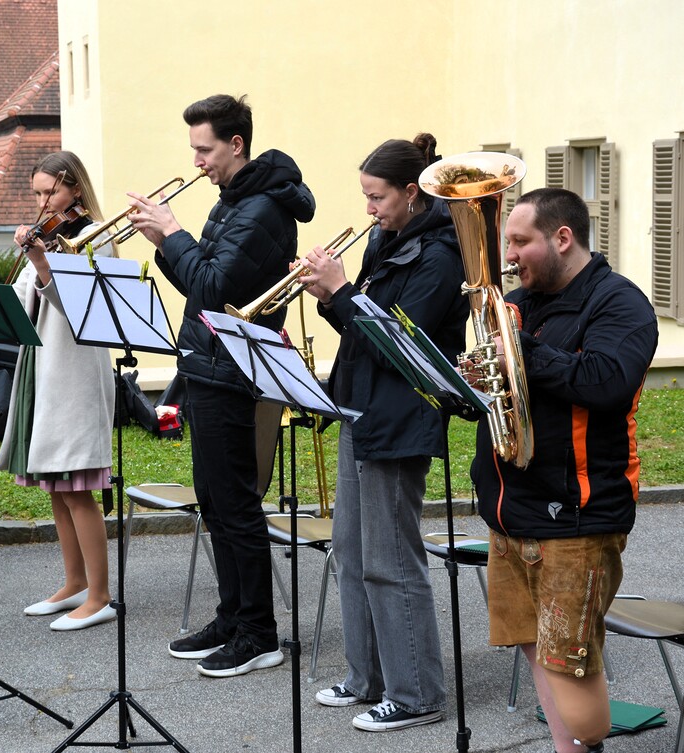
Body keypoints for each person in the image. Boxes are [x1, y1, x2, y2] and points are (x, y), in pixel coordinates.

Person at [127, 94, 315, 677]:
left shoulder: (260, 210)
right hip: (207, 363)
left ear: (236, 144)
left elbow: (211, 287)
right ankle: (232, 616)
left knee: (235, 504)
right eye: (194, 149)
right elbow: (203, 280)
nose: (197, 161)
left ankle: (259, 633)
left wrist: (173, 232)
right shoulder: (235, 199)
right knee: (213, 499)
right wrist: (166, 244)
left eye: (205, 149)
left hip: (232, 370)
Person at [470, 188, 658, 753]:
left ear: (562, 238)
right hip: (511, 509)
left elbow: (605, 381)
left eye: (519, 242)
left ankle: (582, 744)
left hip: (576, 516)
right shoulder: (516, 302)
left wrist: (518, 350)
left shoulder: (619, 303)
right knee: (535, 647)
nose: (509, 256)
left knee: (569, 669)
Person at [298, 133, 466, 731]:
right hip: (360, 406)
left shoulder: (441, 255)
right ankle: (367, 676)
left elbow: (401, 343)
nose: (368, 208)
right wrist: (331, 297)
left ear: (411, 192)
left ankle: (417, 693)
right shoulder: (387, 240)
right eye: (366, 196)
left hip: (401, 415)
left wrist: (342, 291)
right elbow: (362, 326)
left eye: (377, 197)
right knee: (350, 550)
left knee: (391, 557)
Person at [0, 150, 117, 632]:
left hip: (76, 373)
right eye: (38, 194)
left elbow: (78, 309)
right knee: (55, 487)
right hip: (42, 368)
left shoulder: (96, 237)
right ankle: (75, 583)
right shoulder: (47, 236)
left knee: (77, 487)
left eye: (51, 192)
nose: (43, 202)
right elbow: (27, 302)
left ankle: (101, 596)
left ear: (75, 190)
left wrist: (40, 260)